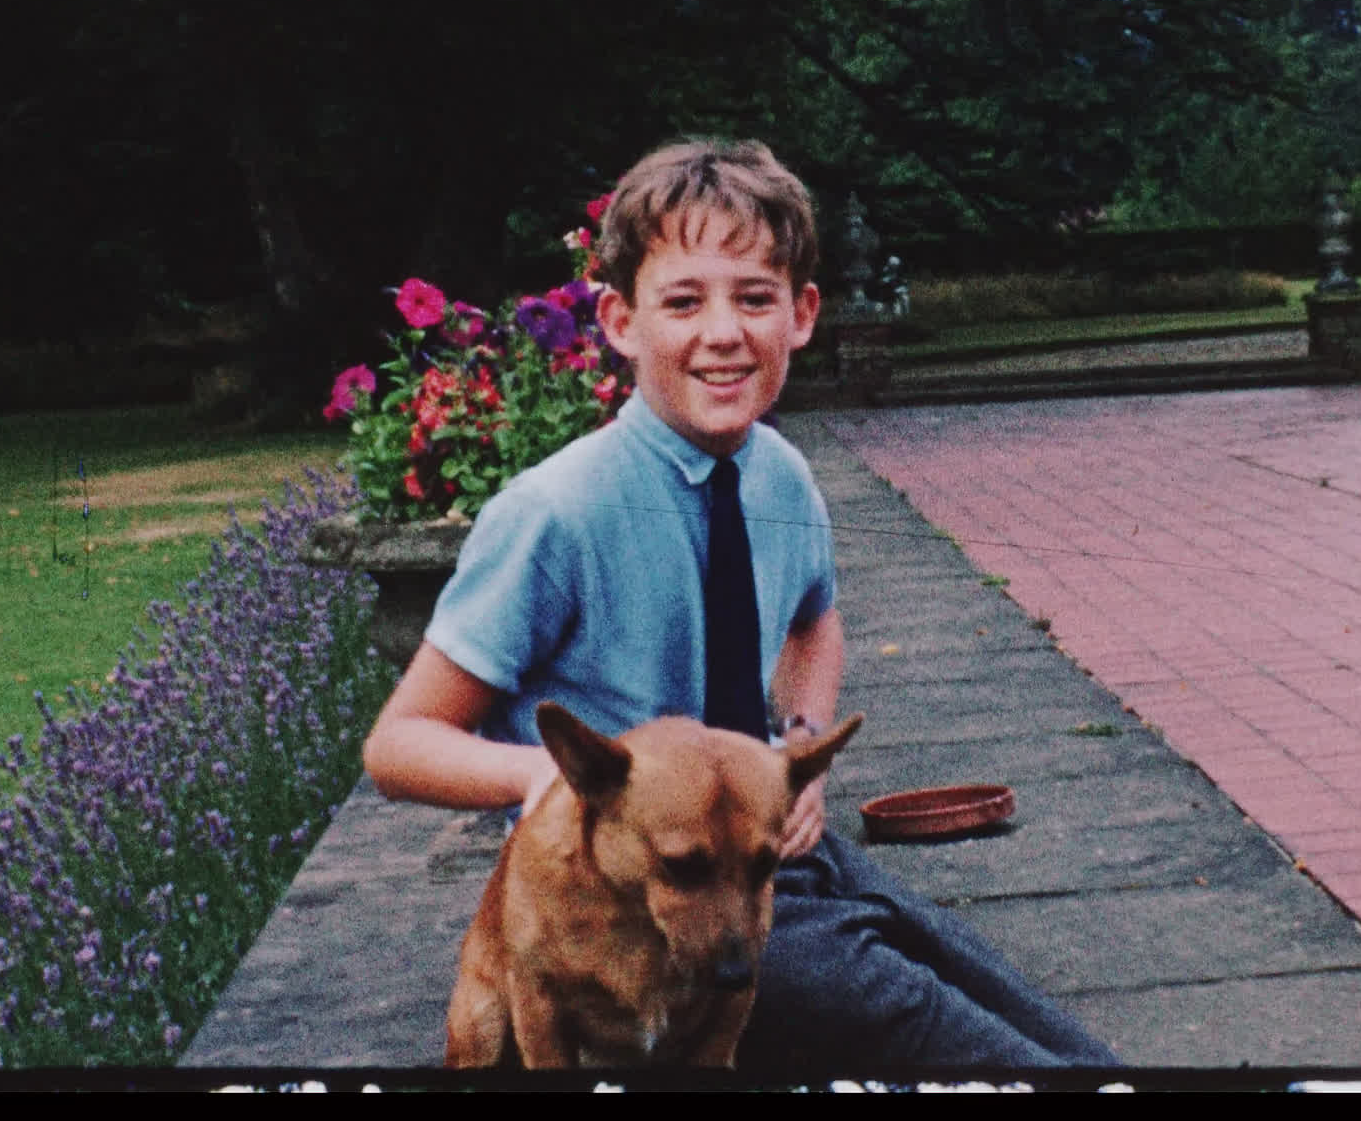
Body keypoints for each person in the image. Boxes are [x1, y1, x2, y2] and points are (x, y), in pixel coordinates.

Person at [362, 138, 1116, 1072]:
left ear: (801, 314)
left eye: (754, 297)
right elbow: (398, 745)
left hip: (764, 857)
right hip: (636, 904)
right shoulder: (553, 515)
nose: (723, 332)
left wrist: (801, 752)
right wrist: (539, 781)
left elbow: (813, 619)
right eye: (684, 301)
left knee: (1035, 1018)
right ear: (619, 321)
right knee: (924, 1025)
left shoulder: (782, 478)